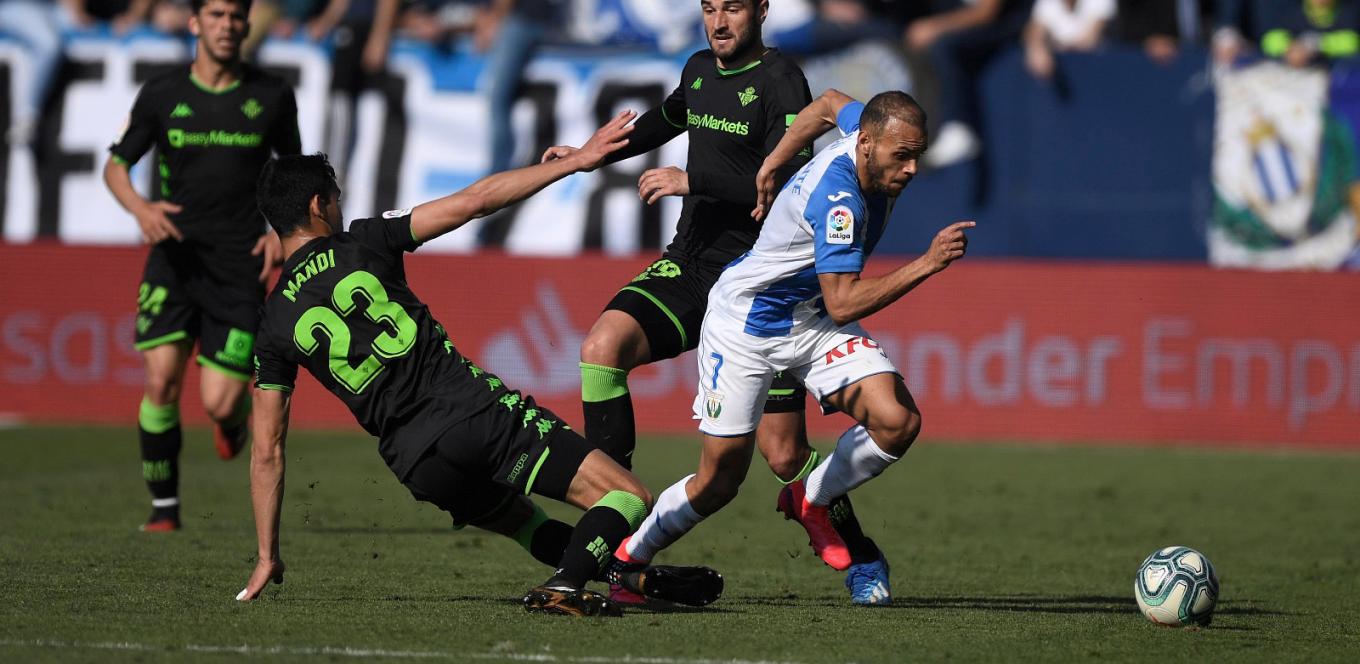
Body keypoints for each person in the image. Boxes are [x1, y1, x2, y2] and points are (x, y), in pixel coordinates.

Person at [236, 113, 724, 617]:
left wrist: (267, 554)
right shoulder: (364, 241)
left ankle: (623, 576)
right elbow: (476, 201)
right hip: (472, 413)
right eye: (336, 198)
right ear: (318, 205)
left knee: (524, 522)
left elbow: (267, 450)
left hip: (417, 464)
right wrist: (576, 161)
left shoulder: (273, 322)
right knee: (628, 495)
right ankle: (567, 583)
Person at [541, 0, 891, 605]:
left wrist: (692, 180)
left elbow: (788, 177)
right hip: (692, 264)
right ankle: (613, 515)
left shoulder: (781, 80)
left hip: (760, 286)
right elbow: (664, 120)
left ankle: (862, 555)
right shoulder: (699, 69)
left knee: (784, 454)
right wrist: (584, 156)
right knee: (602, 348)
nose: (719, 22)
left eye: (732, 8)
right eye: (709, 8)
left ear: (762, 10)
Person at [624, 88, 973, 604]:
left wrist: (774, 162)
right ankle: (628, 557)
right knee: (719, 480)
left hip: (808, 320)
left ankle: (812, 500)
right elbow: (844, 303)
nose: (912, 169)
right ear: (868, 144)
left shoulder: (863, 132)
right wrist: (928, 263)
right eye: (902, 156)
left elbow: (829, 103)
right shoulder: (839, 202)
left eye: (918, 154)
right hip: (748, 327)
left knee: (897, 421)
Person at [103, 0, 301, 532]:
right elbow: (116, 166)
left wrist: (281, 235)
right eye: (215, 14)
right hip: (174, 259)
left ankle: (230, 424)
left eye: (235, 16)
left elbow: (293, 173)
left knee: (219, 403)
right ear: (195, 23)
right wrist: (141, 210)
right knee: (160, 382)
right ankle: (164, 508)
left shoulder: (272, 95)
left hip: (239, 267)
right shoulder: (162, 94)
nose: (226, 25)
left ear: (247, 24)